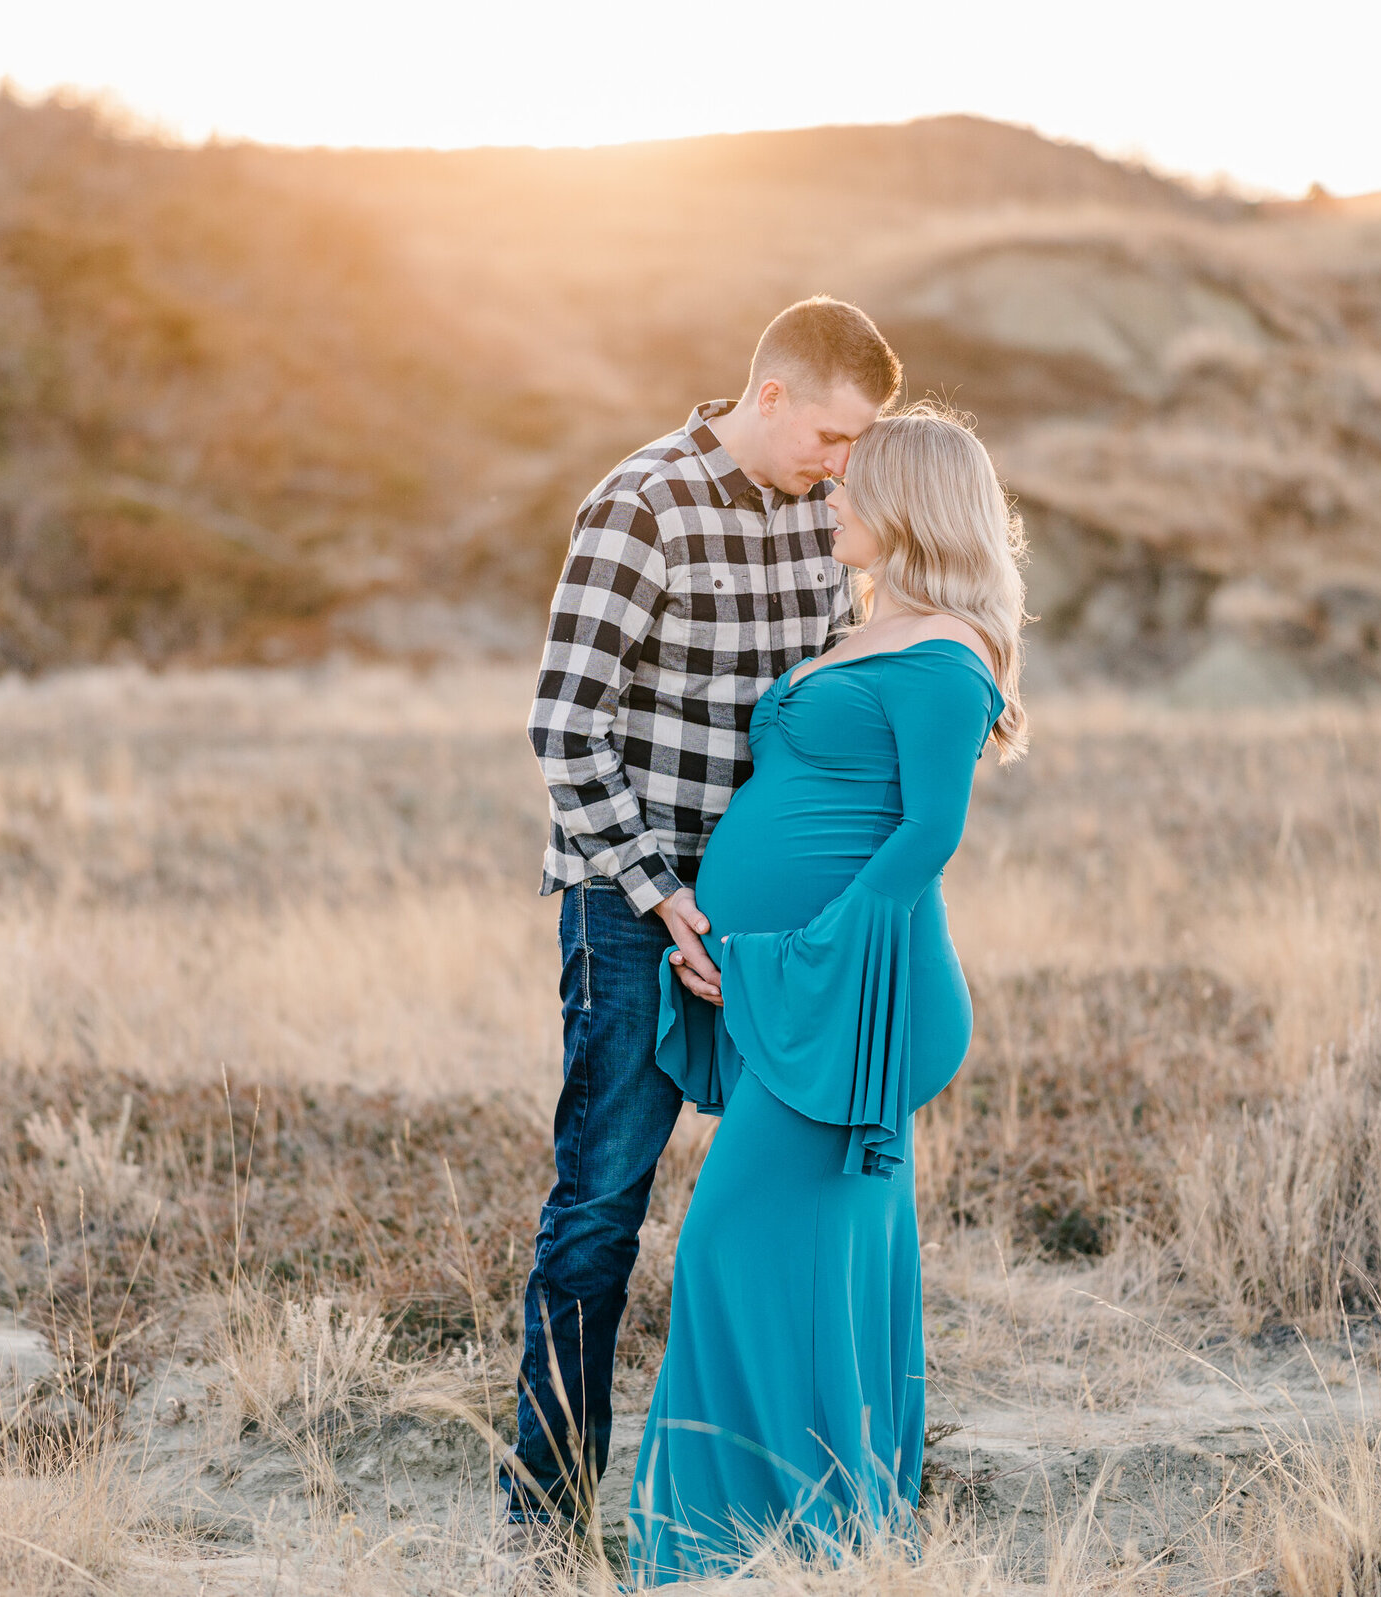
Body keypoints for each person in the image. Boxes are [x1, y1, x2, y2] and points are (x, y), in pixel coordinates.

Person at [512, 297, 904, 1547]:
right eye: (834, 435)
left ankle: (785, 1500)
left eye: (862, 447)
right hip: (634, 908)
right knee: (602, 1206)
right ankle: (545, 1513)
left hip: (767, 922)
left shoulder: (822, 517)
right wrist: (658, 894)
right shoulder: (643, 505)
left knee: (798, 1192)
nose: (844, 467)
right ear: (772, 393)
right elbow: (562, 725)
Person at [627, 405, 1029, 1583]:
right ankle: (824, 1536)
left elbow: (925, 837)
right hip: (782, 982)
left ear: (908, 503)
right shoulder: (872, 630)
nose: (830, 503)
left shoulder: (947, 655)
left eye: (851, 488)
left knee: (732, 1249)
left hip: (844, 995)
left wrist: (798, 955)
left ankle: (732, 1546)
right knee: (818, 1256)